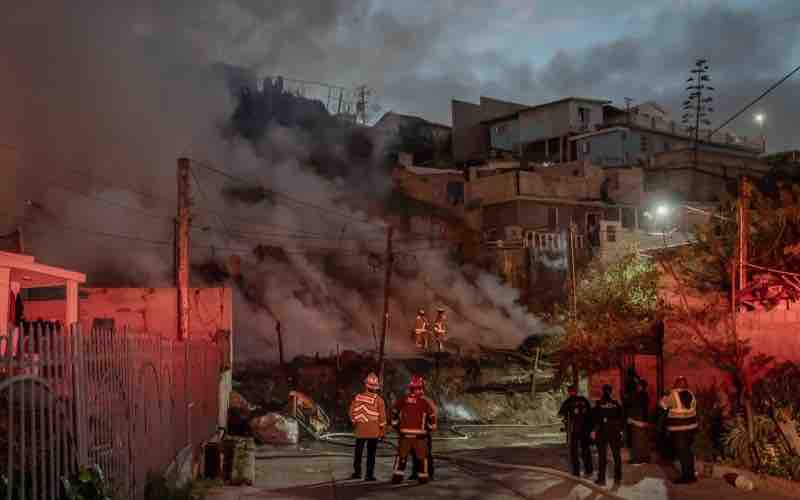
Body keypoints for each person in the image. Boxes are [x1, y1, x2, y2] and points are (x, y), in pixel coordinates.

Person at [391, 375, 436, 484]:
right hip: (421, 435)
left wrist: (397, 427)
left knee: (402, 457)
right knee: (422, 457)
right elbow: (432, 417)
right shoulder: (426, 401)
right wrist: (430, 429)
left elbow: (394, 413)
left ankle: (398, 477)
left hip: (404, 435)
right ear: (421, 388)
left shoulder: (402, 400)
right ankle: (423, 477)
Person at [660, 376, 698, 484]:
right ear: (685, 384)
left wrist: (667, 393)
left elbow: (662, 405)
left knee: (682, 453)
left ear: (676, 384)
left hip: (678, 429)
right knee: (688, 452)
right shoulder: (691, 394)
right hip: (691, 428)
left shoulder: (672, 394)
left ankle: (686, 477)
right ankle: (691, 476)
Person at [349, 372, 387, 481]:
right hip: (373, 431)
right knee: (371, 454)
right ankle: (369, 475)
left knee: (358, 452)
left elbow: (351, 411)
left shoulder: (358, 397)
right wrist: (382, 432)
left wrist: (354, 422)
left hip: (360, 429)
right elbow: (383, 419)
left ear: (366, 385)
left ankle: (357, 473)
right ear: (375, 388)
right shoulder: (379, 400)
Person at [558, 385, 593, 477]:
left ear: (569, 392)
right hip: (585, 429)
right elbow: (590, 413)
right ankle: (589, 471)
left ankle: (576, 472)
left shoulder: (568, 401)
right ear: (576, 391)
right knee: (585, 449)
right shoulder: (584, 400)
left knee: (574, 451)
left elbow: (560, 414)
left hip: (574, 430)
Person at [592, 384, 624, 486]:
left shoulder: (598, 403)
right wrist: (621, 430)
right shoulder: (616, 404)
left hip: (602, 432)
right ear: (611, 392)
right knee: (616, 455)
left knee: (602, 456)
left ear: (602, 391)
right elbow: (621, 417)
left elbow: (595, 419)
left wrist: (593, 431)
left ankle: (602, 480)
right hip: (614, 432)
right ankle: (618, 478)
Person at [410, 379, 438, 481]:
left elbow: (433, 415)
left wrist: (430, 427)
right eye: (413, 389)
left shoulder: (427, 401)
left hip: (424, 432)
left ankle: (429, 473)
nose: (414, 391)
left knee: (426, 454)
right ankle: (415, 473)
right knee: (414, 453)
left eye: (417, 388)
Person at [628, 379, 651, 465]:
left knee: (638, 440)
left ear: (641, 386)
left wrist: (633, 419)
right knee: (643, 440)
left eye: (638, 385)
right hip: (641, 418)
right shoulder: (644, 395)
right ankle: (644, 458)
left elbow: (637, 407)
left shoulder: (640, 395)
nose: (637, 387)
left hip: (639, 419)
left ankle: (638, 459)